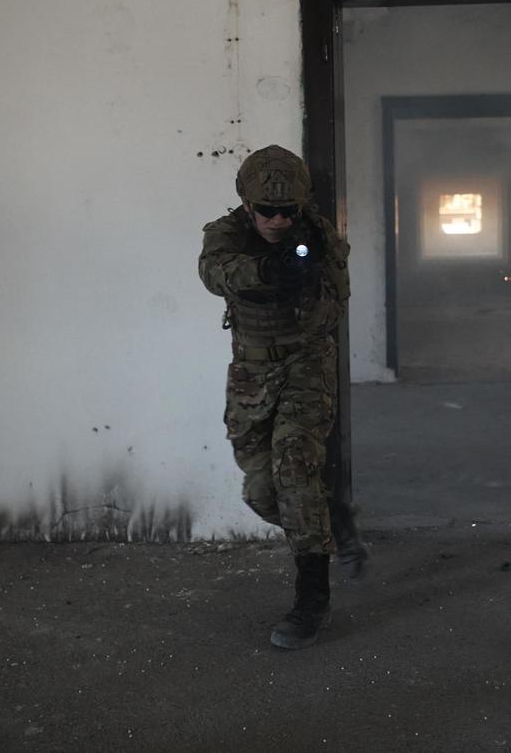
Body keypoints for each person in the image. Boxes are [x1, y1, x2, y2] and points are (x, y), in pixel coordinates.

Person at [198, 145, 366, 650]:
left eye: (286, 212)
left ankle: (311, 599)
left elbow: (337, 304)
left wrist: (307, 279)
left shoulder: (316, 235)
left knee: (295, 466)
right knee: (261, 492)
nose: (276, 220)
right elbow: (215, 273)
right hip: (251, 369)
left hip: (305, 362)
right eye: (266, 211)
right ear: (247, 206)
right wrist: (267, 274)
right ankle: (333, 519)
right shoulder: (226, 233)